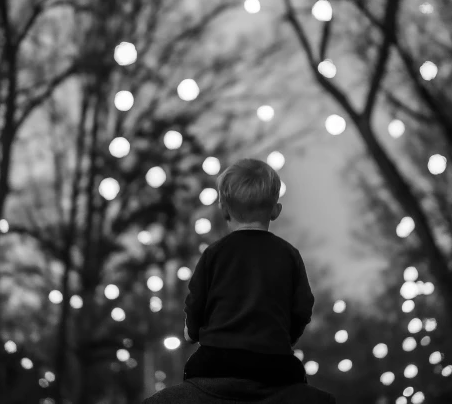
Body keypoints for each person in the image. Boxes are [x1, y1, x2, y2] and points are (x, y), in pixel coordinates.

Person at [142, 158, 334, 404]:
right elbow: (302, 307)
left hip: (217, 362)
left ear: (223, 210)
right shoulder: (288, 255)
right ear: (276, 210)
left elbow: (196, 300)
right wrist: (285, 337)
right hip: (274, 364)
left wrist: (191, 330)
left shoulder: (214, 253)